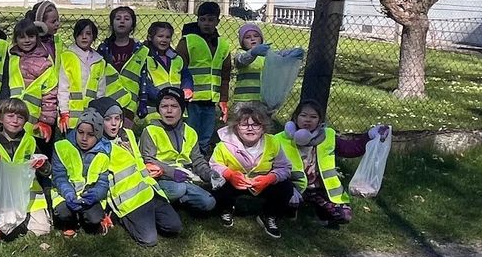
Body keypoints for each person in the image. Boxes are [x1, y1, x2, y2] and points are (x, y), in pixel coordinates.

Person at [278, 99, 389, 227]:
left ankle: (322, 214)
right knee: (285, 201)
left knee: (344, 216)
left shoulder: (328, 137)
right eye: (303, 115)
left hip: (320, 189)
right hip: (293, 187)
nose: (308, 120)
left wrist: (370, 135)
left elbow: (351, 149)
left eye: (313, 117)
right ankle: (291, 210)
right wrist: (286, 188)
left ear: (320, 121)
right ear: (295, 118)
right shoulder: (280, 139)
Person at [92, 97, 182, 245]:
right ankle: (124, 218)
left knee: (174, 227)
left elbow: (139, 161)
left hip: (150, 191)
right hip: (129, 202)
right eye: (108, 119)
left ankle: (151, 217)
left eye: (117, 118)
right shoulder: (98, 147)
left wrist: (150, 171)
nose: (114, 123)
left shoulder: (128, 134)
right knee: (149, 240)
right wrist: (103, 212)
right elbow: (98, 182)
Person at [210, 103, 294, 239]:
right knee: (218, 182)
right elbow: (214, 165)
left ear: (263, 128)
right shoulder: (224, 145)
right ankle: (226, 209)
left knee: (286, 187)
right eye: (244, 125)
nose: (250, 129)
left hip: (262, 183)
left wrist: (270, 178)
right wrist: (229, 174)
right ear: (236, 127)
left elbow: (284, 167)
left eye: (256, 125)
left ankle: (269, 215)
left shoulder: (273, 142)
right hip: (234, 182)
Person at [139, 87, 217, 216]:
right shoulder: (151, 131)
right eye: (164, 106)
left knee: (209, 203)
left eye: (174, 106)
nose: (169, 111)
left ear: (182, 109)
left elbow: (197, 160)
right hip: (159, 179)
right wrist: (171, 173)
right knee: (178, 189)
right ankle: (158, 200)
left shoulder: (190, 132)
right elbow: (148, 159)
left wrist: (210, 175)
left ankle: (175, 202)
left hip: (184, 179)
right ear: (159, 109)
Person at [0, 96, 51, 241]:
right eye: (10, 116)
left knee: (42, 230)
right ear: (0, 117)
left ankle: (21, 222)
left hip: (27, 188)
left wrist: (42, 165)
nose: (15, 120)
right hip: (3, 189)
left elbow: (46, 169)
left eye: (20, 117)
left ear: (25, 121)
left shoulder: (30, 140)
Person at [175, 2, 232, 154]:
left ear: (217, 21)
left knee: (207, 132)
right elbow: (178, 67)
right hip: (192, 99)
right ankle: (188, 157)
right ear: (198, 20)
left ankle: (203, 158)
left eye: (211, 20)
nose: (206, 23)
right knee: (190, 131)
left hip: (211, 99)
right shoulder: (188, 41)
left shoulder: (223, 45)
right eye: (203, 19)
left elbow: (225, 76)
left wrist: (223, 99)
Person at [50, 109, 112, 237]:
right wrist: (68, 193)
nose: (84, 138)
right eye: (80, 132)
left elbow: (103, 183)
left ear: (98, 135)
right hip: (66, 194)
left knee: (94, 218)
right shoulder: (62, 147)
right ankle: (70, 223)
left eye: (90, 134)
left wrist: (94, 195)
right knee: (63, 212)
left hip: (89, 197)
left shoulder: (104, 154)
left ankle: (89, 220)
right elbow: (59, 176)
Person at [57, 18, 124, 132]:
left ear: (93, 37)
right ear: (75, 36)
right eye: (80, 34)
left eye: (88, 34)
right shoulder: (67, 57)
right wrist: (64, 112)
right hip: (71, 119)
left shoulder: (99, 61)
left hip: (91, 118)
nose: (84, 37)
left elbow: (100, 92)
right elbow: (63, 88)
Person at [1, 17, 58, 142]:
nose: (27, 41)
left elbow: (50, 94)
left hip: (34, 123)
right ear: (16, 39)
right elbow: (4, 87)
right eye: (22, 37)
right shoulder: (11, 59)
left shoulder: (45, 63)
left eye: (31, 36)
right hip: (10, 121)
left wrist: (46, 122)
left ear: (37, 38)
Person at [98, 6, 148, 122]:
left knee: (126, 135)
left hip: (130, 103)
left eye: (126, 19)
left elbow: (144, 77)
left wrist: (143, 101)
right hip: (108, 99)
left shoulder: (140, 50)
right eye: (118, 18)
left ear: (132, 25)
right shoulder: (103, 49)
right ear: (112, 24)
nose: (122, 21)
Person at [139, 21, 193, 119]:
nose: (164, 40)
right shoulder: (145, 58)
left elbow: (186, 76)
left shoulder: (177, 58)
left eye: (167, 37)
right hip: (155, 109)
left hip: (177, 108)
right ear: (150, 37)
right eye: (160, 36)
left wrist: (187, 88)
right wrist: (164, 97)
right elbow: (144, 83)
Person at [231, 23, 269, 107]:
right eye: (247, 37)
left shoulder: (267, 55)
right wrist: (253, 53)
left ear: (261, 39)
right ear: (242, 42)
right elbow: (242, 61)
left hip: (263, 99)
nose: (252, 39)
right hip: (243, 99)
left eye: (256, 36)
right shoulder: (241, 53)